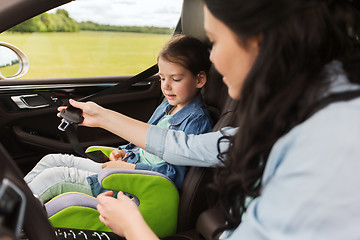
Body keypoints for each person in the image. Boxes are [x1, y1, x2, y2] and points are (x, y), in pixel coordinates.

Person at [97, 0, 360, 239]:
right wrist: (102, 116)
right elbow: (187, 146)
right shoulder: (289, 114)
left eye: (214, 41)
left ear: (259, 40)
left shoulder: (330, 148)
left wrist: (132, 226)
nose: (212, 58)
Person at [24, 34, 213, 203]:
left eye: (176, 79)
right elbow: (143, 142)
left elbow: (173, 177)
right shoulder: (167, 105)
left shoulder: (196, 121)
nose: (167, 87)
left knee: (54, 178)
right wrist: (123, 152)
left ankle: (12, 220)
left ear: (199, 80)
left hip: (135, 185)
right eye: (162, 78)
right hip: (126, 167)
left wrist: (130, 167)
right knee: (51, 160)